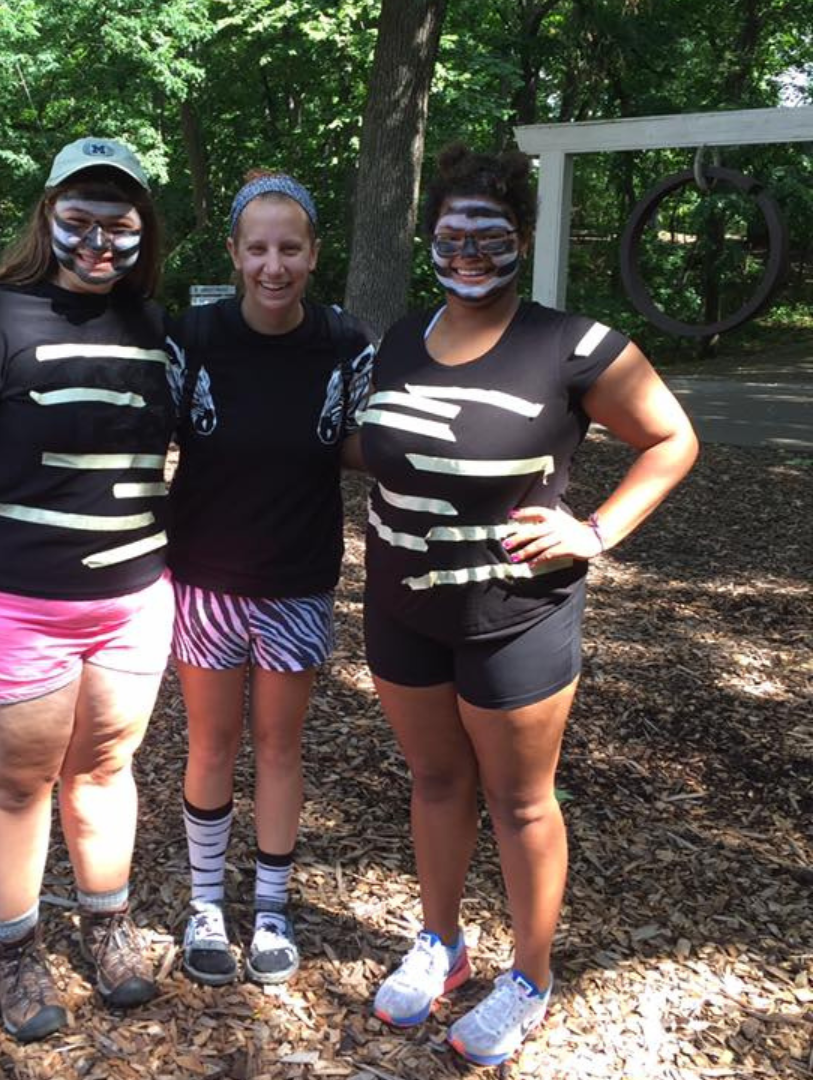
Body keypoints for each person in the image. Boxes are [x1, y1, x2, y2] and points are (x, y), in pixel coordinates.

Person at [362, 144, 698, 1065]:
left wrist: (596, 531)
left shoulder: (576, 344)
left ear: (524, 239)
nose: (468, 252)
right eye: (451, 234)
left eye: (490, 236)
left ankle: (530, 976)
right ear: (429, 235)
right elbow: (374, 449)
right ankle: (442, 943)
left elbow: (671, 440)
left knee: (519, 802)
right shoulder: (396, 339)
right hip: (399, 605)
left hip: (518, 615)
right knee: (434, 782)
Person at [0, 137, 175, 1042]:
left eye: (118, 224)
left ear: (143, 232)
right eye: (79, 218)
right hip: (11, 603)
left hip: (132, 600)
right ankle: (15, 950)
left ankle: (108, 925)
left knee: (104, 768)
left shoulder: (157, 329)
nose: (98, 240)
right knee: (17, 783)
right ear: (47, 217)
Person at [165, 172, 374, 986]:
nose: (273, 265)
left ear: (314, 254)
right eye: (258, 248)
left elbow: (362, 445)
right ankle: (207, 902)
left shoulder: (346, 343)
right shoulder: (196, 338)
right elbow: (147, 433)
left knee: (280, 746)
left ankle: (274, 908)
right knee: (212, 743)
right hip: (205, 577)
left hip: (297, 579)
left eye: (290, 248)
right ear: (234, 253)